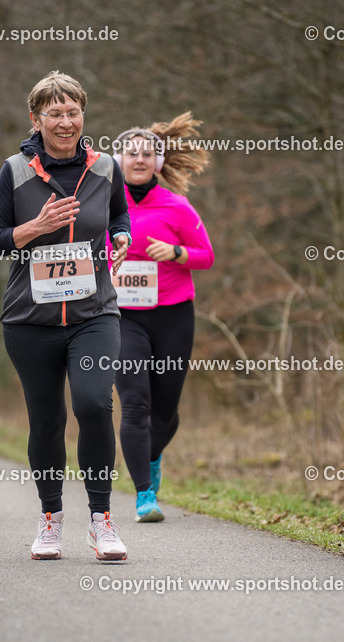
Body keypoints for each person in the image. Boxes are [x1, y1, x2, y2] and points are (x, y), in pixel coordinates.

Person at [0, 70, 132, 561]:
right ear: (36, 118)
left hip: (94, 312)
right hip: (31, 319)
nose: (65, 122)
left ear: (82, 115)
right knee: (46, 421)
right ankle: (50, 519)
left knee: (93, 404)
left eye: (72, 112)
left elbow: (117, 215)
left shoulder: (106, 167)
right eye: (54, 113)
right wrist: (35, 227)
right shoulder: (15, 171)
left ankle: (101, 520)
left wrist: (122, 237)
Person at [109, 113, 214, 522]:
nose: (139, 159)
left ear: (158, 162)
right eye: (131, 152)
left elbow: (206, 256)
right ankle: (143, 495)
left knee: (165, 411)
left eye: (147, 153)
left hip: (173, 314)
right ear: (118, 160)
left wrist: (176, 254)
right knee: (135, 403)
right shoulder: (103, 207)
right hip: (122, 317)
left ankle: (152, 457)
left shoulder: (177, 207)